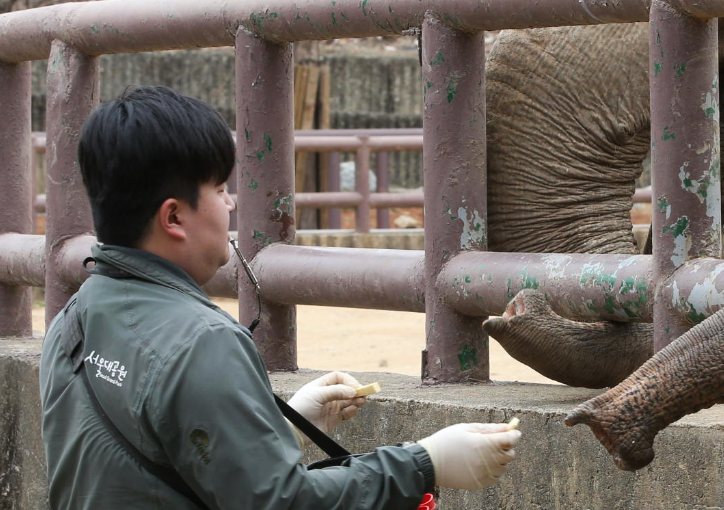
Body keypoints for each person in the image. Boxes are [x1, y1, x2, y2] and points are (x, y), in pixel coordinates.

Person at [39, 86, 522, 509]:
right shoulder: (201, 343)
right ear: (174, 218)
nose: (230, 204)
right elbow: (281, 504)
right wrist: (425, 462)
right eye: (220, 189)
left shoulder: (73, 318)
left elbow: (154, 461)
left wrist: (275, 424)